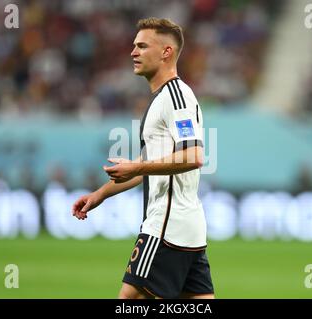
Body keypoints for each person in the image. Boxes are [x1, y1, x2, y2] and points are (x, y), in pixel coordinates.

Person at [72, 17, 214, 299]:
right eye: (134, 46)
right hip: (185, 228)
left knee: (130, 299)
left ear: (166, 53)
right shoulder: (162, 98)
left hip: (166, 226)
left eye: (142, 46)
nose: (133, 52)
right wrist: (100, 194)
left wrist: (138, 164)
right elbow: (148, 168)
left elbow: (195, 155)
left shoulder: (176, 96)